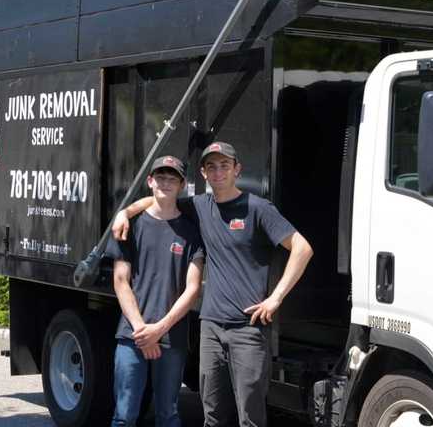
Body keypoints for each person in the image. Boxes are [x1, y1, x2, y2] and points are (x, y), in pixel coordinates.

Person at [113, 142, 313, 427]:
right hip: (210, 329)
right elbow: (160, 199)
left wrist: (276, 297)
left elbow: (302, 248)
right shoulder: (199, 206)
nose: (218, 172)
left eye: (224, 165)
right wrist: (125, 212)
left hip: (248, 328)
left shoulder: (257, 208)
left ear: (237, 169)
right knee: (213, 415)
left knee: (251, 417)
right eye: (211, 167)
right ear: (204, 174)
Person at [107, 155, 205, 427]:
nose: (165, 182)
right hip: (131, 336)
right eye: (160, 177)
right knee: (124, 416)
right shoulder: (130, 227)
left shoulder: (191, 233)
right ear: (150, 181)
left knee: (168, 415)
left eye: (172, 178)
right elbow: (120, 281)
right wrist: (142, 331)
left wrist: (158, 330)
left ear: (182, 185)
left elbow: (193, 288)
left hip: (171, 338)